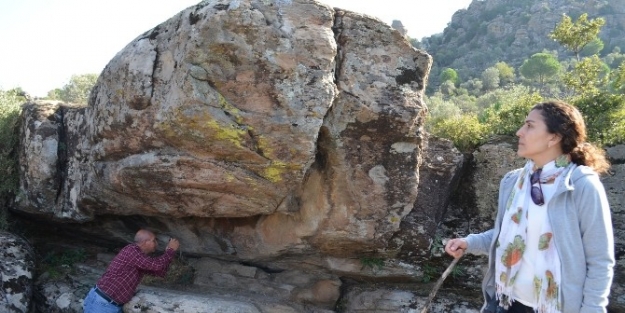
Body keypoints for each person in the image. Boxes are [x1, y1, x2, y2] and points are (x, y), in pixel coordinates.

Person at [444, 101, 614, 313]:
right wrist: (468, 242)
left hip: (556, 308)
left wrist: (593, 309)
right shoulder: (514, 182)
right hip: (506, 303)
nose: (519, 132)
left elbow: (599, 260)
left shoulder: (581, 185)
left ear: (554, 137)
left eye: (530, 126)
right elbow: (505, 237)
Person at [83, 229, 180, 313]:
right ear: (146, 242)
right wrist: (170, 251)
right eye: (154, 240)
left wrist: (169, 252)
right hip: (102, 303)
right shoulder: (131, 251)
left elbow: (160, 272)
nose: (157, 244)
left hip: (111, 304)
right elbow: (157, 266)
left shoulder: (139, 258)